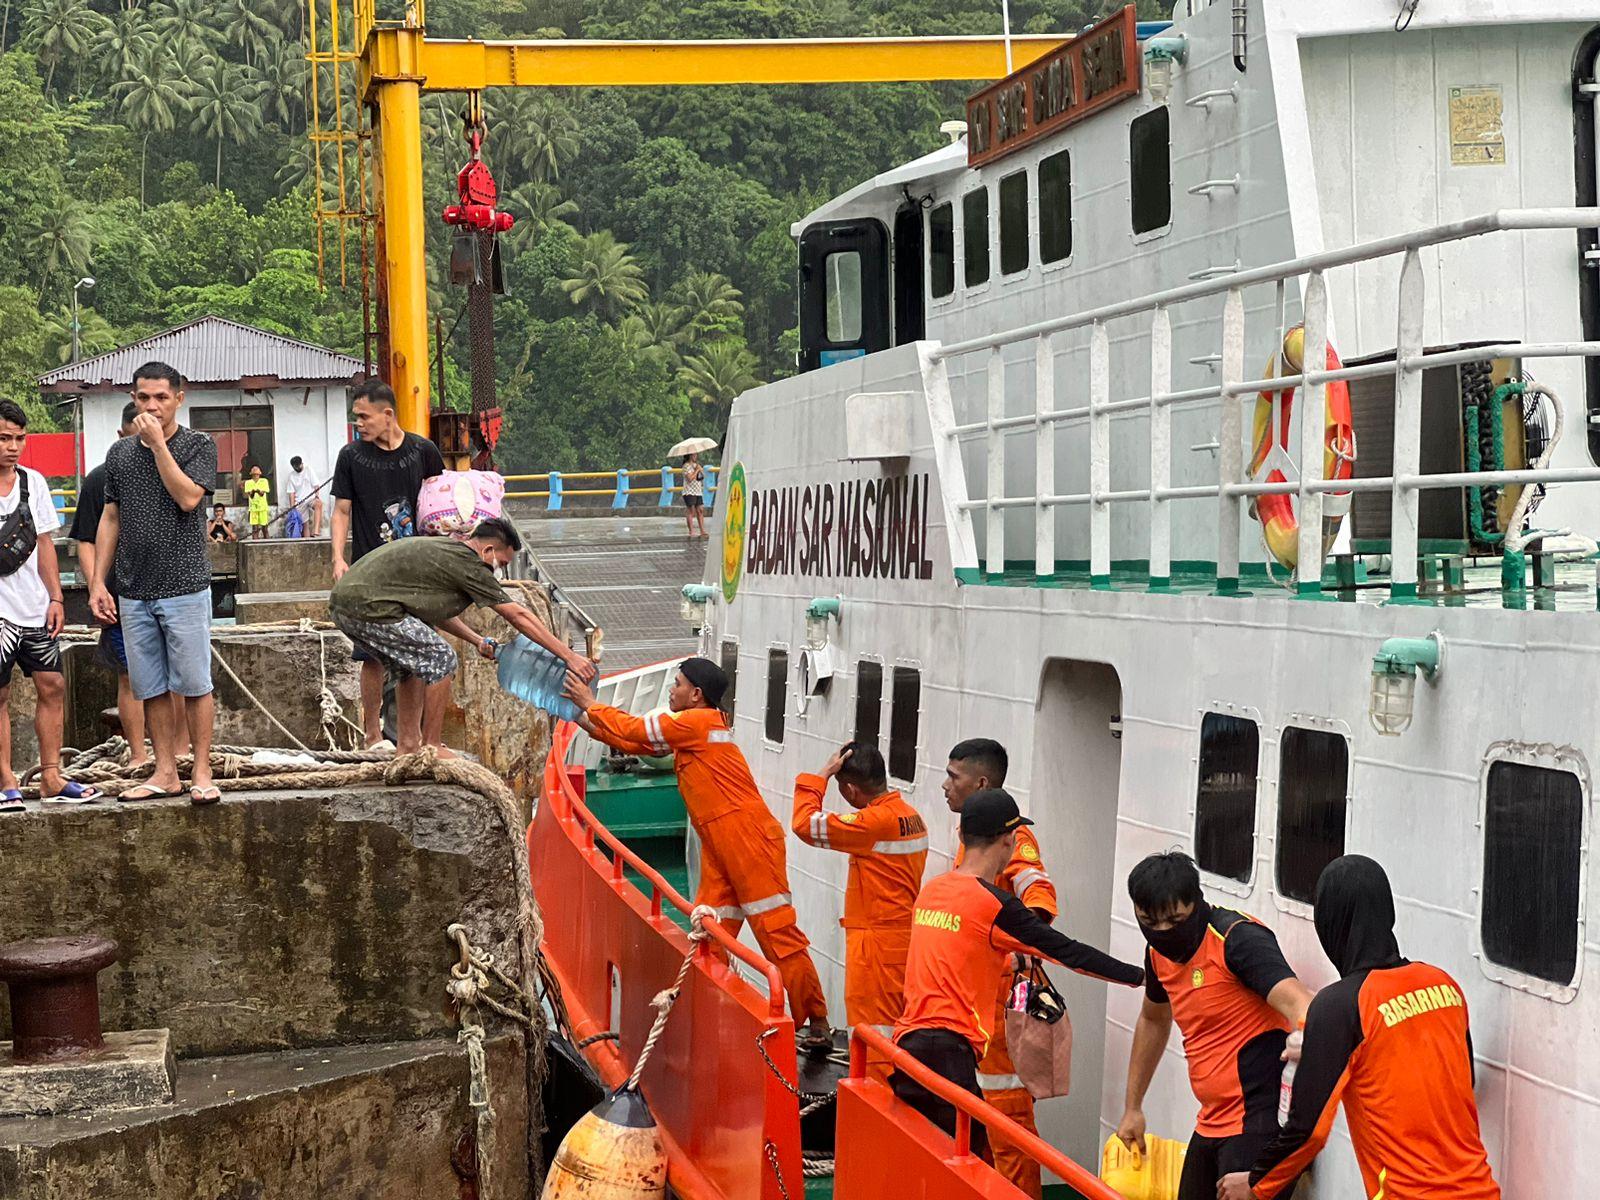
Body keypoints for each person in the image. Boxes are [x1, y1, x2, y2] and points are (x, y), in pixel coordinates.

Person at [564, 658, 833, 1051]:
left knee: (775, 931)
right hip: (723, 841)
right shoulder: (696, 729)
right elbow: (632, 743)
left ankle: (816, 1024)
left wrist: (589, 702)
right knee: (709, 930)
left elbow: (636, 729)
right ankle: (716, 1010)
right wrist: (582, 718)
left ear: (696, 694)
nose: (670, 691)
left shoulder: (696, 722)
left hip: (746, 839)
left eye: (677, 685)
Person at [1219, 855, 1501, 1200]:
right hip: (1480, 1189)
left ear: (1329, 923)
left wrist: (1257, 1184)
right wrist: (1328, 1048)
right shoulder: (1444, 985)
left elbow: (1308, 1132)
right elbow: (1458, 1081)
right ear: (1388, 913)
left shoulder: (1339, 1006)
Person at [892, 789, 1143, 1158]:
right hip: (948, 1054)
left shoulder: (932, 892)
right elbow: (1069, 953)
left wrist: (1017, 962)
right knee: (972, 1172)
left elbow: (962, 956)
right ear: (1010, 840)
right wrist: (1143, 977)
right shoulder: (995, 905)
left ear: (962, 837)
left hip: (906, 1049)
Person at [1114, 852, 1312, 1200]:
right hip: (1211, 1119)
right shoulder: (1158, 952)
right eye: (1149, 922)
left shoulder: (1237, 940)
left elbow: (1302, 1004)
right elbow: (1153, 1019)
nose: (1163, 932)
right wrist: (1133, 1107)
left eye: (1174, 920)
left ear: (1196, 903)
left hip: (1257, 1120)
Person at [330, 517, 591, 756]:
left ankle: (408, 745)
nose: (499, 571)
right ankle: (431, 744)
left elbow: (435, 612)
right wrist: (569, 657)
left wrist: (476, 640)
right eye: (502, 564)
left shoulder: (448, 554)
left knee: (410, 664)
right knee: (441, 657)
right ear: (488, 551)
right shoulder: (470, 563)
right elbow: (517, 615)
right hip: (368, 606)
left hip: (349, 603)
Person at [89, 361, 220, 805]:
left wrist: (159, 445)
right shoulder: (119, 454)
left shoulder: (198, 444)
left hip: (184, 584)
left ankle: (200, 770)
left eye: (161, 397)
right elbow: (111, 518)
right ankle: (165, 771)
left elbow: (187, 498)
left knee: (195, 682)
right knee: (150, 687)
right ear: (133, 398)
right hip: (133, 588)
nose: (152, 405)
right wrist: (97, 583)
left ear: (178, 399)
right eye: (143, 397)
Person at [941, 737, 1054, 1196]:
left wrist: (1014, 945)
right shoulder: (973, 835)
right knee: (981, 1121)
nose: (945, 785)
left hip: (999, 1010)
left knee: (1008, 1124)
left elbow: (1038, 892)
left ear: (980, 782)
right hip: (973, 1005)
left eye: (953, 776)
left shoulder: (1013, 838)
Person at [791, 741, 928, 1081]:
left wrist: (821, 775)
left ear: (851, 790)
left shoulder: (872, 824)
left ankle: (877, 1106)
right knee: (896, 1031)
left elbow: (804, 824)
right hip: (902, 938)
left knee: (874, 1035)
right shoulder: (911, 817)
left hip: (877, 949)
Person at [330, 379, 446, 749]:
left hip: (416, 571)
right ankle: (372, 734)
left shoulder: (422, 451)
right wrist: (338, 558)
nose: (359, 424)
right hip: (370, 571)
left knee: (414, 655)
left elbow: (438, 506)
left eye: (364, 417)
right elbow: (341, 510)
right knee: (372, 656)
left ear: (388, 414)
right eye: (356, 418)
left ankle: (412, 740)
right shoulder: (351, 457)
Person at [0, 400, 98, 811]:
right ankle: (5, 779)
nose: (13, 447)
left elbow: (44, 545)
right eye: (5, 438)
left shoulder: (33, 483)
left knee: (52, 685)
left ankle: (51, 776)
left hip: (33, 607)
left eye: (19, 439)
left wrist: (56, 597)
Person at [286, 455, 323, 538]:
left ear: (301, 463)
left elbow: (316, 485)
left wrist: (317, 496)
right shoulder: (291, 476)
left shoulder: (308, 470)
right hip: (299, 502)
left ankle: (316, 532)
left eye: (298, 465)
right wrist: (292, 508)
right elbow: (291, 493)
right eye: (295, 467)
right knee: (304, 525)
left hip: (310, 498)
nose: (297, 468)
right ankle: (307, 540)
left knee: (318, 504)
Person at [681, 452, 707, 539]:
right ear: (689, 455)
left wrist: (700, 470)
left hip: (698, 491)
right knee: (691, 511)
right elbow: (689, 479)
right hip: (689, 491)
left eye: (696, 455)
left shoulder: (697, 465)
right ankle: (691, 531)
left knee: (700, 510)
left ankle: (702, 530)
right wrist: (696, 470)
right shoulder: (686, 466)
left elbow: (702, 477)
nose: (695, 456)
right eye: (694, 455)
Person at [243, 464, 271, 540]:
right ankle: (255, 542)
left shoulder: (264, 481)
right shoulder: (248, 483)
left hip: (262, 507)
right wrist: (253, 492)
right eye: (254, 472)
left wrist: (258, 491)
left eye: (257, 473)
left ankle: (267, 542)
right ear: (251, 474)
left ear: (260, 473)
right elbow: (250, 495)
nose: (255, 475)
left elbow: (262, 493)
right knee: (255, 528)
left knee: (264, 527)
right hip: (253, 508)